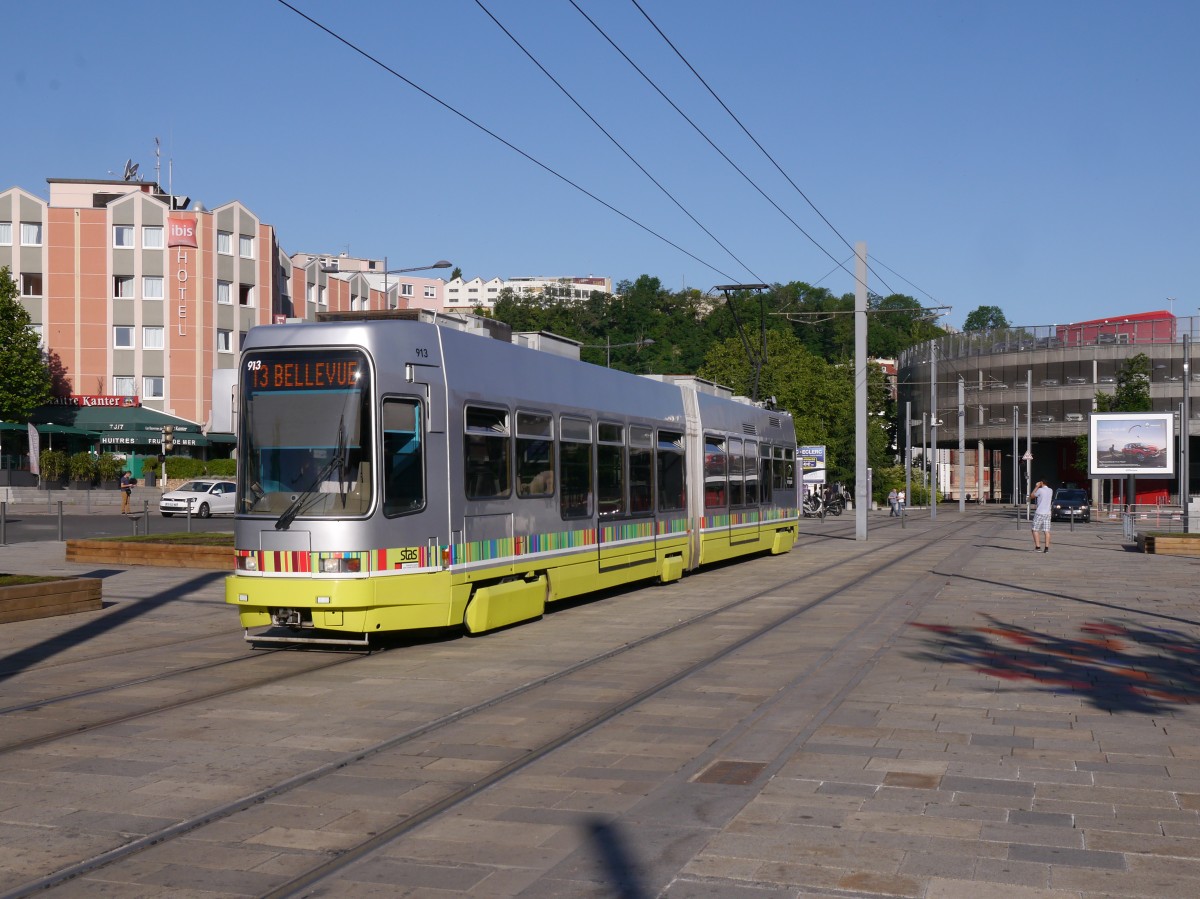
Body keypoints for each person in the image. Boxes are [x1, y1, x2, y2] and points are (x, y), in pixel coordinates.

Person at [1030, 478, 1053, 552]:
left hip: (1040, 512)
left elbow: (1032, 496)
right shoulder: (1050, 490)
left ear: (1042, 483)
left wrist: (1037, 486)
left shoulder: (1040, 490)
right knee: (1047, 531)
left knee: (1035, 529)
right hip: (1048, 513)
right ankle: (1046, 548)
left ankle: (1038, 547)